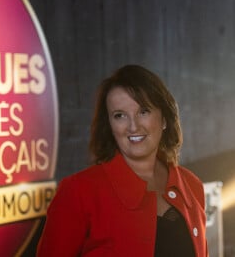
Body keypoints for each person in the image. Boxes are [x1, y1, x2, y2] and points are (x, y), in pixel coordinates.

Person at [36, 64, 208, 256]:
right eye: (120, 116)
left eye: (143, 111)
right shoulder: (78, 192)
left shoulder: (192, 185)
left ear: (165, 119)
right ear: (109, 125)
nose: (133, 126)